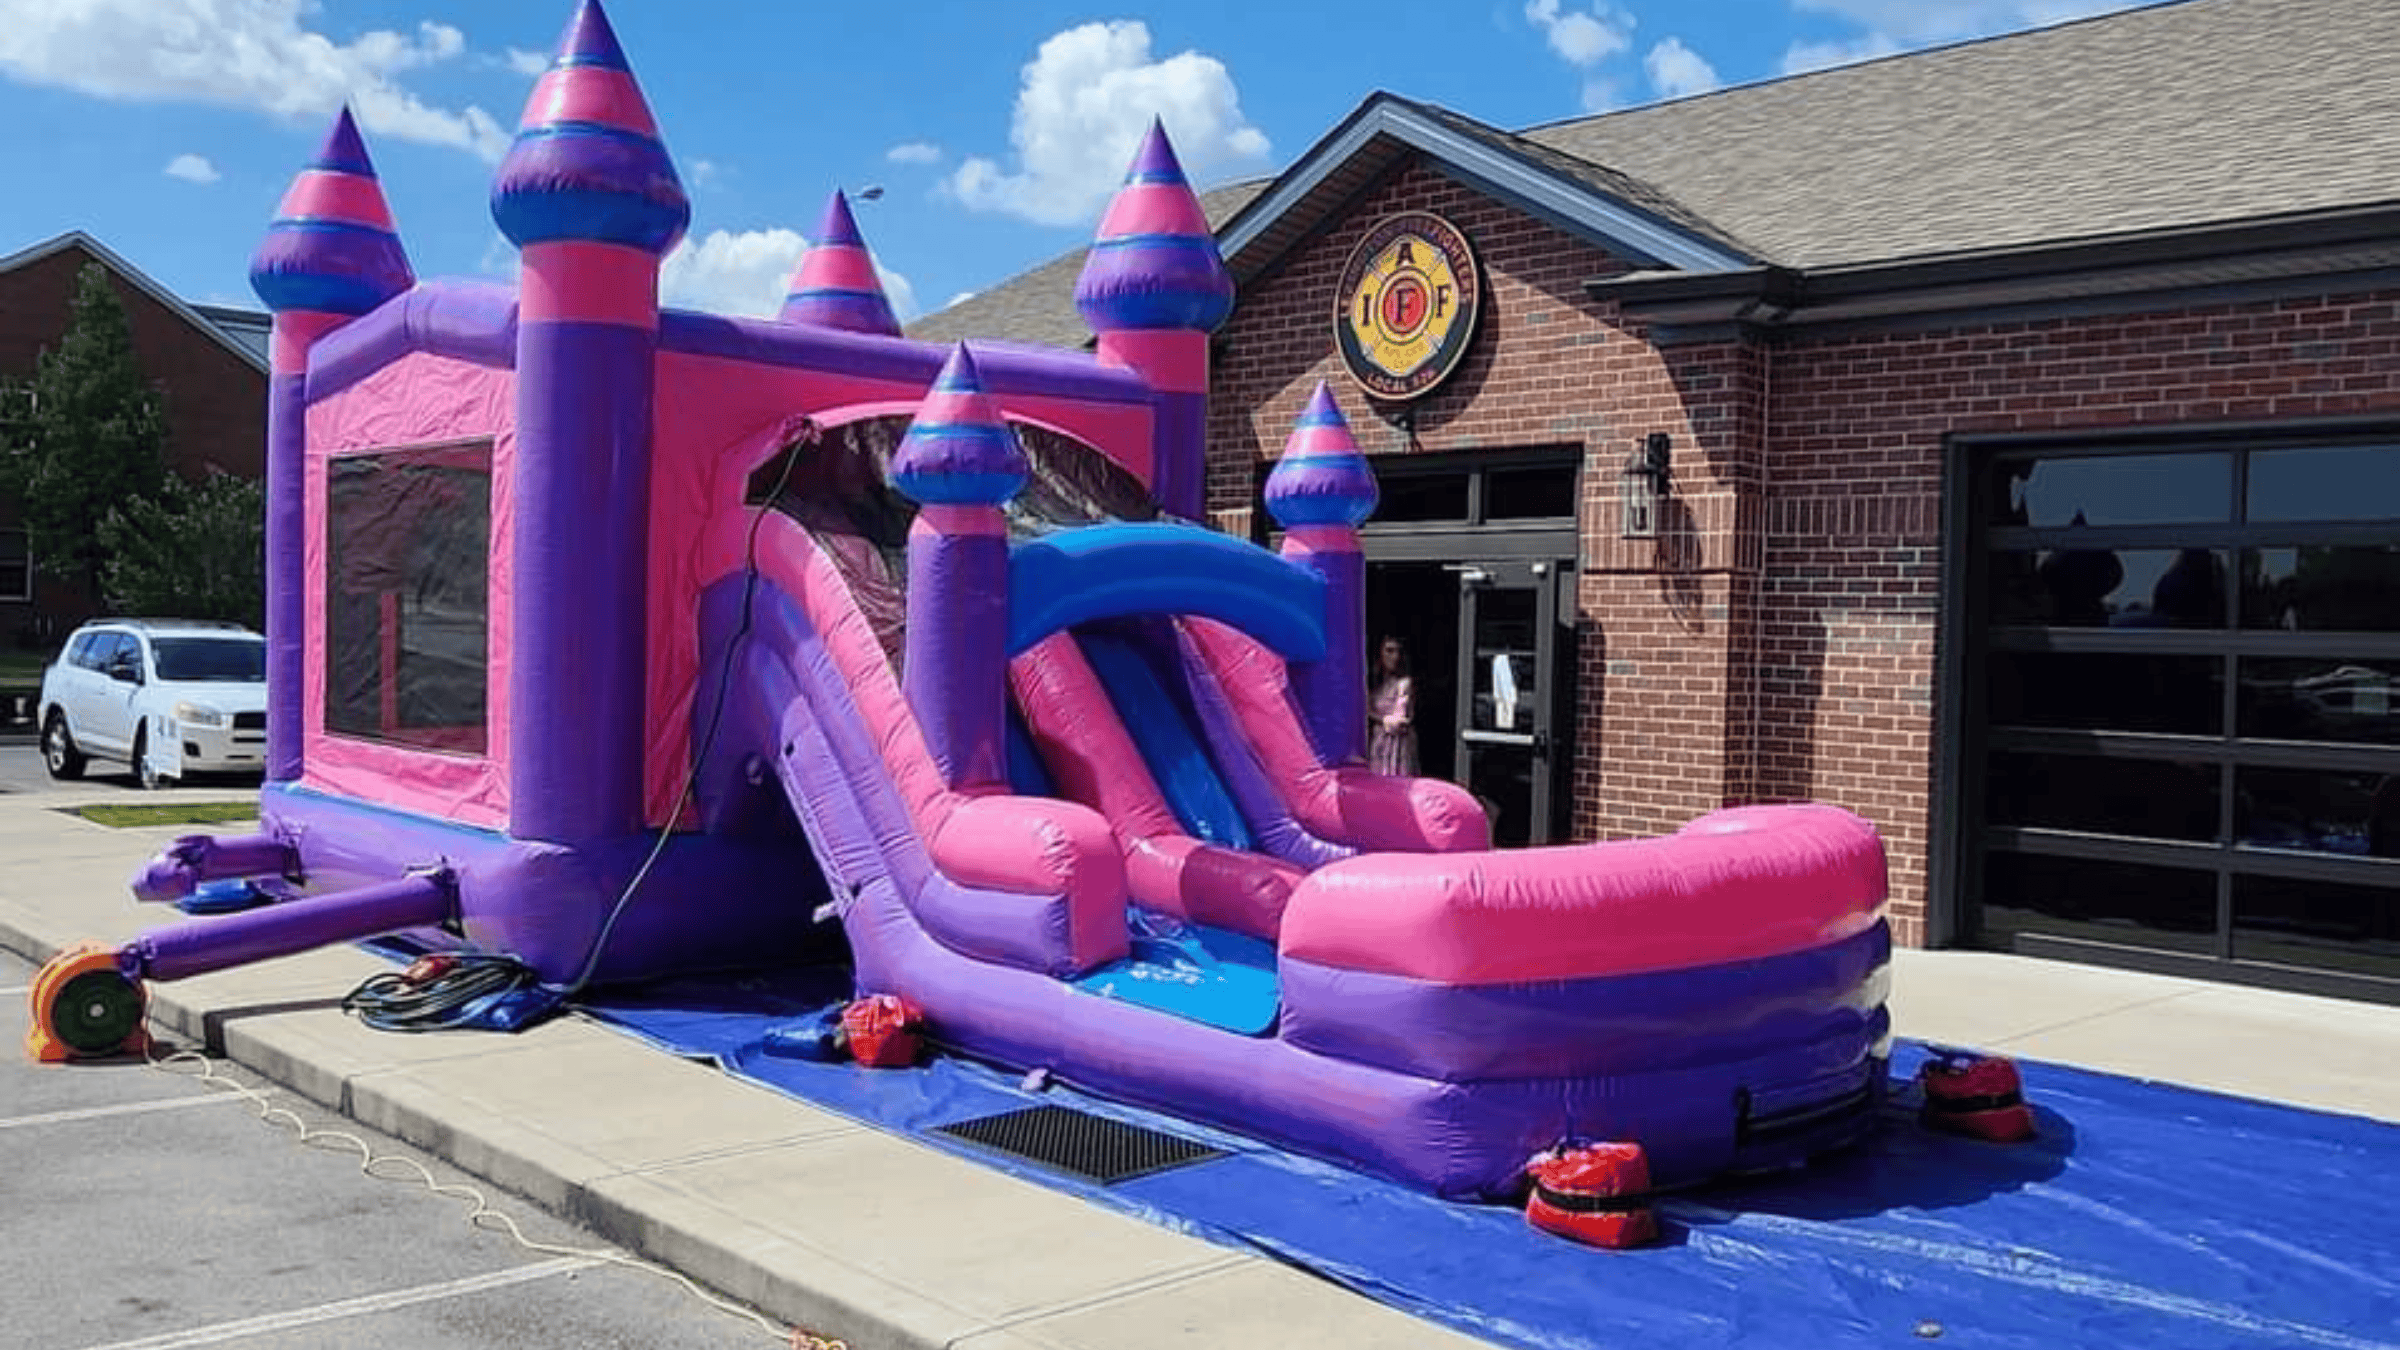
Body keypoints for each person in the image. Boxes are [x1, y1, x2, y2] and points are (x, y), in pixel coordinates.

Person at [1368, 635, 1417, 776]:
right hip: (1377, 742)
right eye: (1389, 651)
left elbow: (1400, 719)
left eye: (1398, 651)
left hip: (1397, 744)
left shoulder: (1404, 683)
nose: (1395, 656)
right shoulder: (1375, 684)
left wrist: (1376, 718)